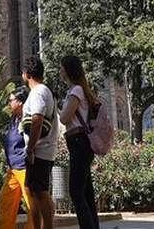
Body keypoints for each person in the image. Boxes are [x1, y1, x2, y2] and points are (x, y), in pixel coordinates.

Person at [58, 55, 99, 229]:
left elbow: (66, 118)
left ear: (68, 70)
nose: (59, 71)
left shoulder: (76, 91)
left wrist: (58, 109)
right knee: (86, 192)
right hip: (78, 142)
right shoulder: (78, 90)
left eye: (61, 67)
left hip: (78, 142)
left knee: (76, 192)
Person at [21, 57, 58, 229]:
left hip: (39, 151)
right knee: (33, 192)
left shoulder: (39, 92)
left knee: (41, 192)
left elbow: (37, 120)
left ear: (26, 74)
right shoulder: (42, 91)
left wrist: (30, 149)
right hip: (39, 151)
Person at [0, 86, 33, 229]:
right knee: (5, 198)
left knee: (31, 204)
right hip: (13, 169)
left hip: (24, 167)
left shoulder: (27, 119)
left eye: (11, 100)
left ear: (20, 103)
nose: (9, 103)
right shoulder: (14, 118)